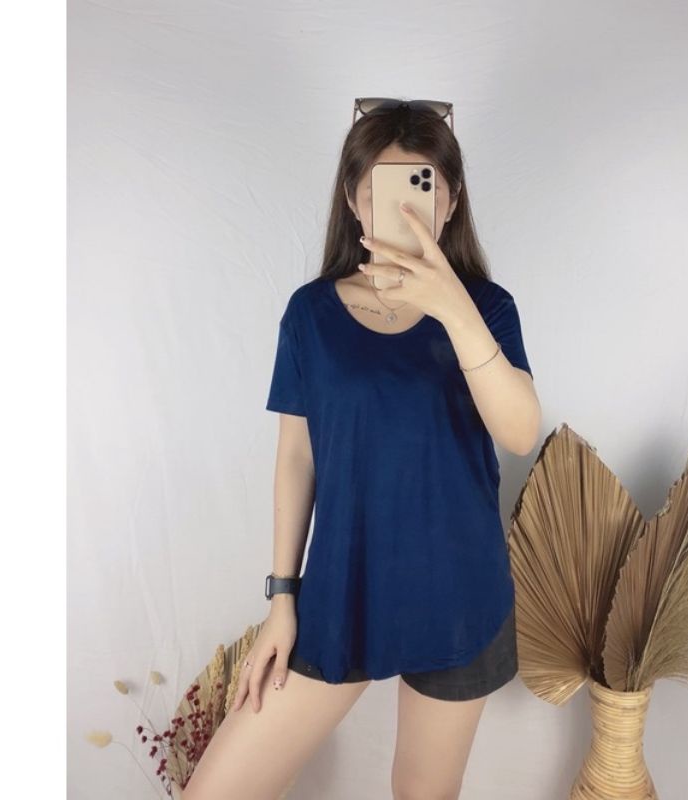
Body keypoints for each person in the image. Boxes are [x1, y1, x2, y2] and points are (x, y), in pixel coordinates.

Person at [182, 99, 541, 800]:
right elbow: (297, 458)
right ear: (352, 200)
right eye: (379, 189)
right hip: (344, 589)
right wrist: (282, 598)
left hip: (460, 595)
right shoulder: (311, 313)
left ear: (450, 201)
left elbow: (520, 431)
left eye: (422, 187)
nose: (403, 208)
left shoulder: (488, 308)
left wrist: (452, 304)